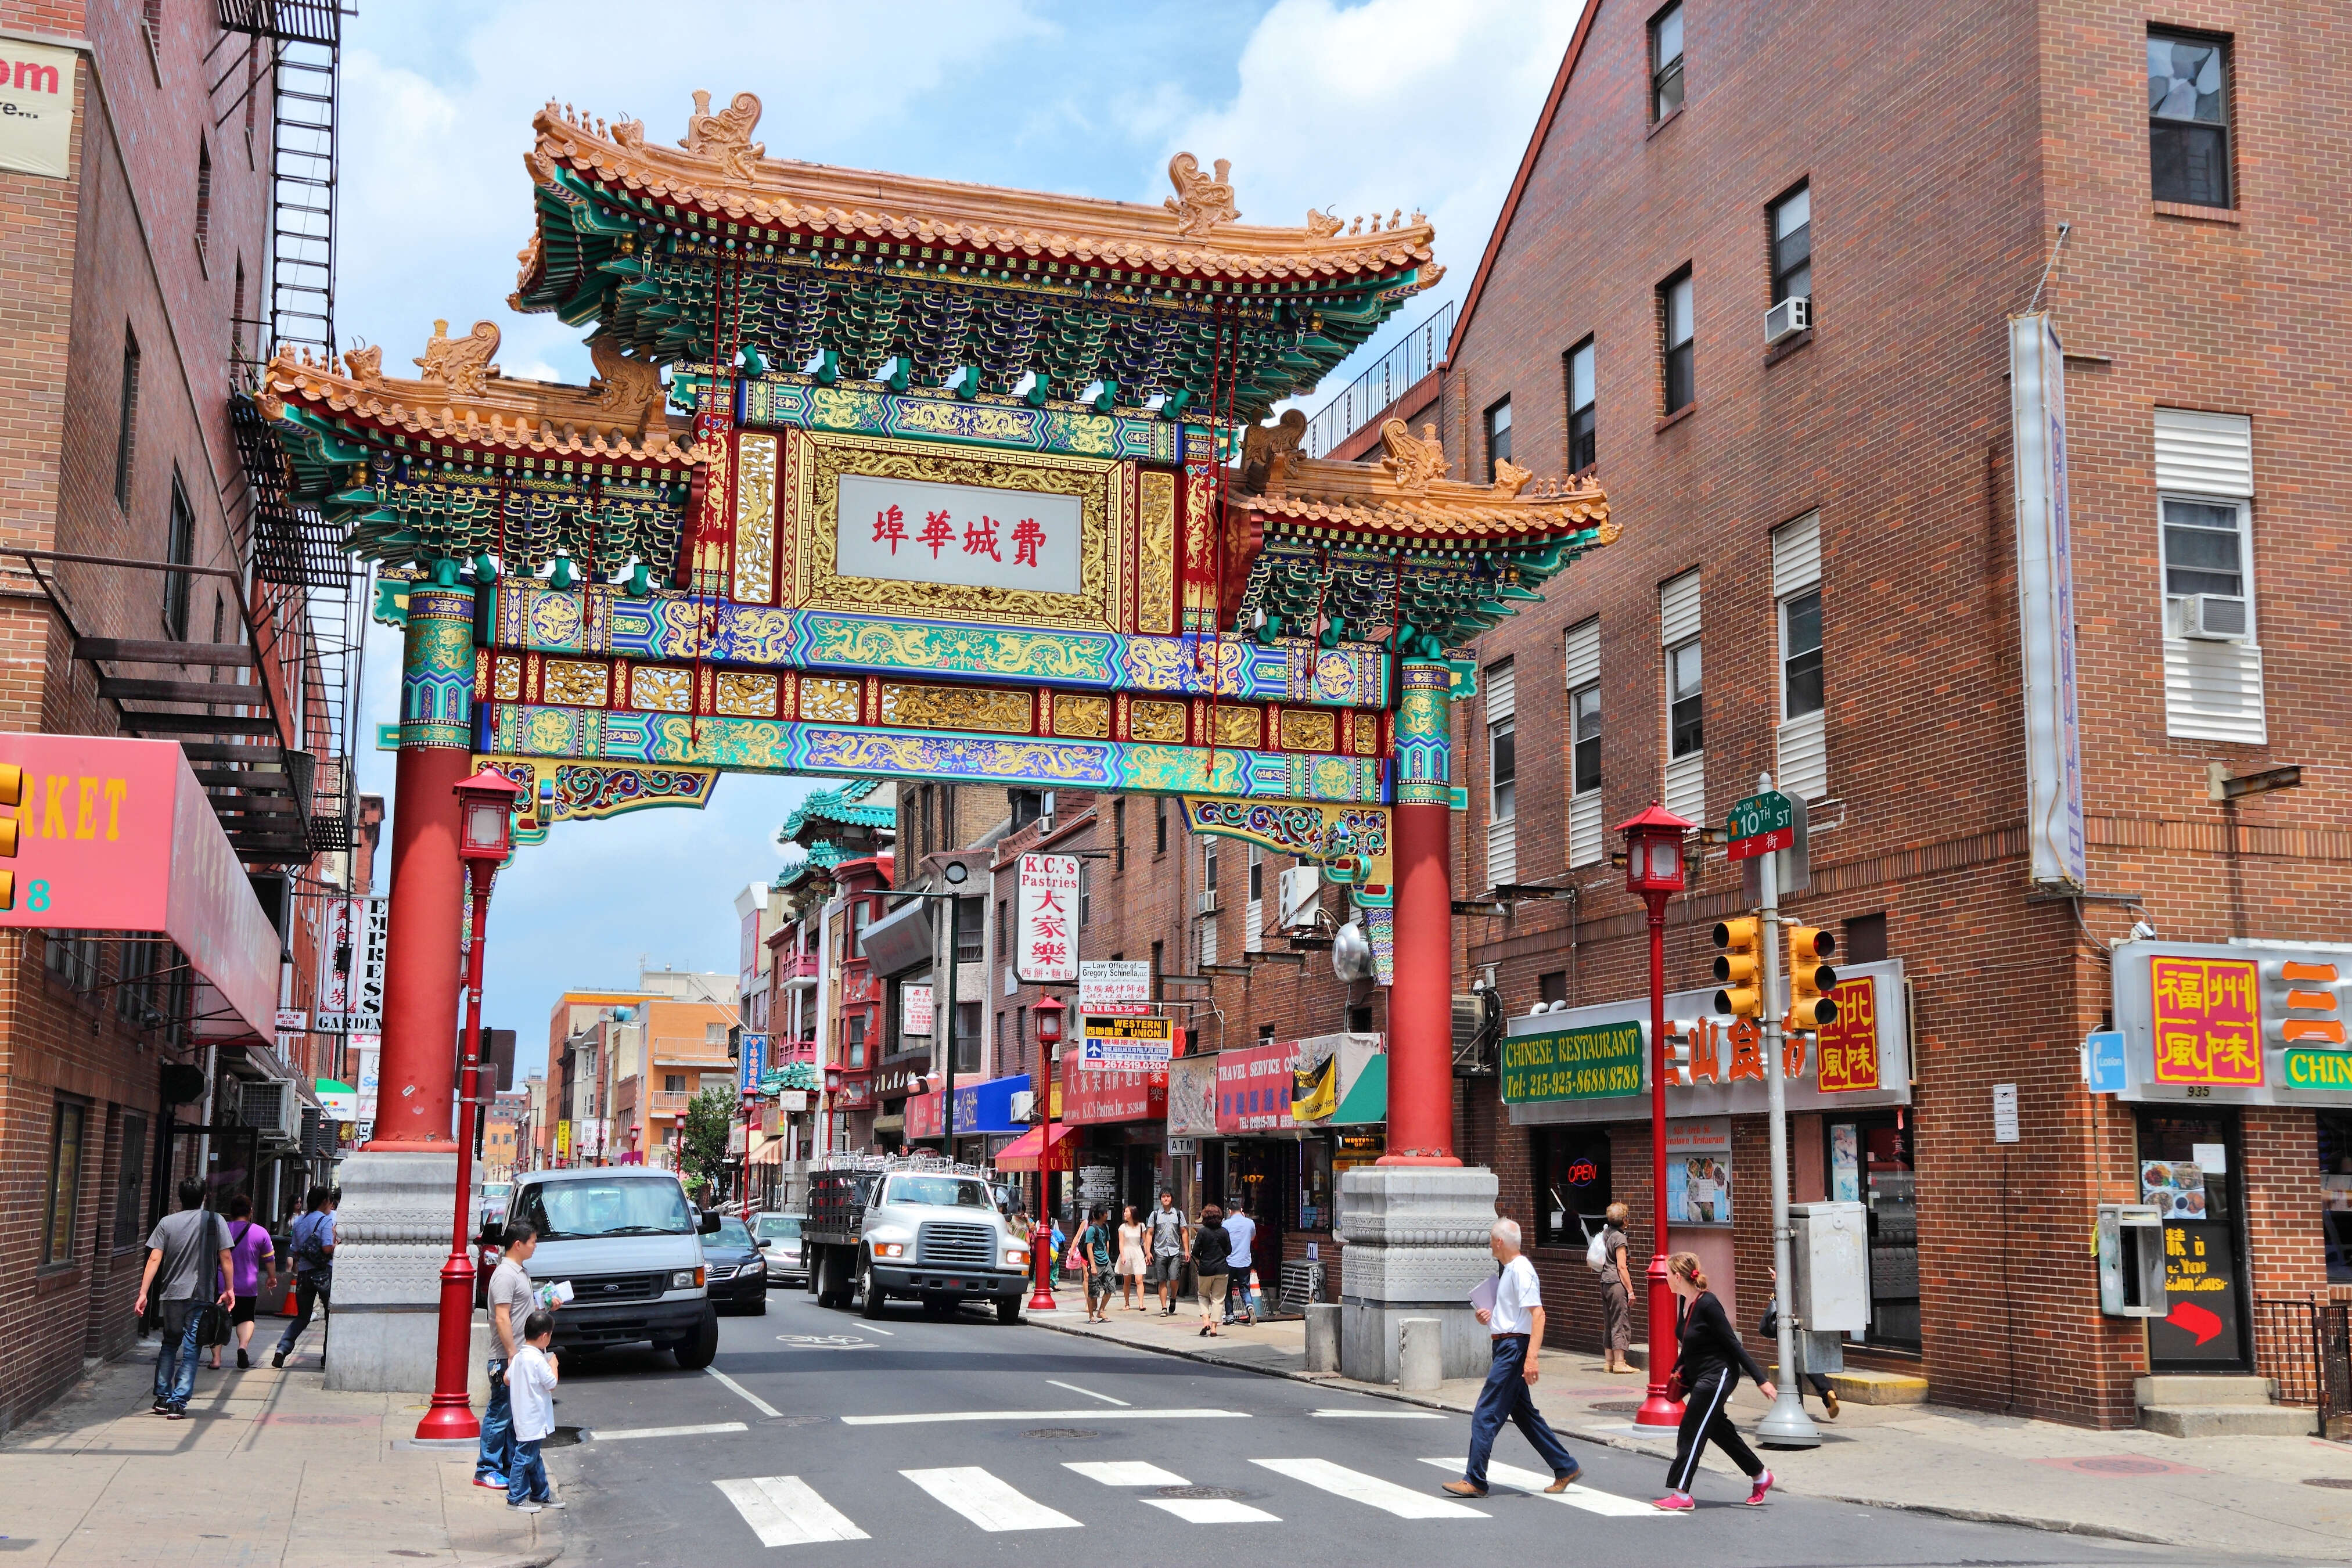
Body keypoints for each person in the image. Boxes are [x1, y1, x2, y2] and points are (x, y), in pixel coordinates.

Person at [1442, 1218, 1584, 1499]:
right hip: (1507, 1345)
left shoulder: (1521, 1270)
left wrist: (1532, 1358)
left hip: (1513, 1349)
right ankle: (1565, 1466)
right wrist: (1489, 1317)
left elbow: (1538, 1315)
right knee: (1524, 1414)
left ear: (1499, 1242)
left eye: (1491, 1240)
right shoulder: (1510, 1271)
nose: (1489, 1245)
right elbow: (1513, 1315)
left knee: (1486, 1413)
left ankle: (1475, 1479)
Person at [1655, 1251, 1776, 1511]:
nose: (1665, 1278)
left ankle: (1682, 1494)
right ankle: (1760, 1476)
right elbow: (1689, 1344)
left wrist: (1761, 1380)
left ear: (1678, 1277)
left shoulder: (1709, 1304)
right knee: (1718, 1429)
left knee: (1692, 1429)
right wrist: (1677, 1371)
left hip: (1719, 1375)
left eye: (1667, 1274)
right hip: (1699, 1374)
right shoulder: (1684, 1302)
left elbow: (1733, 1344)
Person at [134, 1179, 234, 1419]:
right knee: (192, 1347)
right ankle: (178, 1402)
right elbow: (226, 1258)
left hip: (172, 1294)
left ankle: (162, 1397)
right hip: (201, 1294)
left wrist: (143, 1293)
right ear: (204, 1196)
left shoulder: (167, 1223)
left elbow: (154, 1259)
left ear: (180, 1197)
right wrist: (229, 1289)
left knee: (170, 1343)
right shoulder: (215, 1221)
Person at [478, 1221, 547, 1491]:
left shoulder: (520, 1273)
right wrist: (512, 1356)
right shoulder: (506, 1275)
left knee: (511, 1417)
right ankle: (487, 1469)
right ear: (518, 1244)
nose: (535, 1246)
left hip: (517, 1357)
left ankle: (505, 1468)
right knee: (499, 1415)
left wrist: (546, 1304)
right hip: (506, 1358)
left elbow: (521, 1312)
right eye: (533, 1241)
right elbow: (502, 1318)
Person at [502, 1310, 564, 1513]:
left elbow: (507, 1379)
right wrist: (554, 1365)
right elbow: (551, 1384)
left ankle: (541, 1493)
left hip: (523, 1417)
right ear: (545, 1336)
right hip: (534, 1418)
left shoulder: (520, 1358)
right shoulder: (538, 1361)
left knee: (534, 1456)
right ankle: (516, 1497)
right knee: (524, 1458)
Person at [272, 1185, 338, 1368]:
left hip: (304, 1274)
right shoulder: (326, 1221)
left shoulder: (299, 1221)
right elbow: (327, 1248)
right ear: (324, 1201)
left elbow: (295, 1250)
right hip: (323, 1273)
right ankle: (327, 1357)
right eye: (329, 1201)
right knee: (330, 1316)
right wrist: (338, 1245)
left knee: (302, 1316)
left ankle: (282, 1349)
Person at [210, 1195, 276, 1371]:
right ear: (250, 1212)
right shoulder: (260, 1232)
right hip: (248, 1286)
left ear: (231, 1212)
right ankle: (243, 1347)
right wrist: (272, 1277)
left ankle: (216, 1360)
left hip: (223, 1284)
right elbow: (270, 1259)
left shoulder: (221, 1229)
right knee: (246, 1318)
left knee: (218, 1321)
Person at [1761, 1265, 1838, 1418]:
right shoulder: (1807, 1266)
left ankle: (1797, 1407)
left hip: (1787, 1323)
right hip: (1806, 1318)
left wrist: (1777, 1281)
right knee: (1805, 1358)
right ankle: (1827, 1392)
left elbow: (1784, 1295)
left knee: (1790, 1364)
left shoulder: (1786, 1260)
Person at [1600, 1202, 1636, 1375]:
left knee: (1609, 1322)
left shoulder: (1607, 1233)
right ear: (1625, 1220)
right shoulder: (1620, 1238)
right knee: (1620, 1321)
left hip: (1605, 1281)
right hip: (1616, 1283)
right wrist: (1630, 1291)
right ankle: (1620, 1363)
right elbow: (1622, 1267)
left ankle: (1609, 1362)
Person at [1190, 1204, 1230, 1336]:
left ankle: (1206, 1321)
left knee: (1203, 1295)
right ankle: (1214, 1328)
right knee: (1218, 1299)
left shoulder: (1202, 1232)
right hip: (1222, 1269)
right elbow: (1229, 1250)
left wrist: (1203, 1258)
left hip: (1205, 1269)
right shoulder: (1224, 1232)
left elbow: (1195, 1252)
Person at [1148, 1191, 1188, 1317]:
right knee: (1162, 1280)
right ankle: (1164, 1307)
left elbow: (1184, 1232)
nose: (1166, 1199)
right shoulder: (1155, 1215)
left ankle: (1174, 1298)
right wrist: (1148, 1252)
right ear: (1160, 1199)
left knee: (1174, 1278)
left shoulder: (1178, 1214)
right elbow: (1150, 1233)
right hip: (1160, 1252)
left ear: (1172, 1199)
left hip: (1175, 1251)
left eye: (1168, 1196)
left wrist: (1187, 1250)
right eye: (1163, 1197)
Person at [1078, 1206, 1118, 1322]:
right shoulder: (1092, 1229)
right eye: (1105, 1213)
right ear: (1100, 1215)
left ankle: (1101, 1311)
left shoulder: (1105, 1227)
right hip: (1096, 1263)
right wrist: (1093, 1266)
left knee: (1111, 1288)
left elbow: (1107, 1243)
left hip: (1106, 1263)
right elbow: (1089, 1248)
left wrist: (1107, 1258)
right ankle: (1091, 1316)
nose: (1107, 1215)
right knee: (1094, 1291)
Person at [1222, 1200, 1257, 1325]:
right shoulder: (1250, 1223)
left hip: (1229, 1261)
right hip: (1245, 1261)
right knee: (1245, 1288)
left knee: (1227, 1289)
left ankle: (1230, 1316)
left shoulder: (1226, 1224)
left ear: (1230, 1211)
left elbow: (1223, 1241)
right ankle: (1249, 1305)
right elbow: (1253, 1238)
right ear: (1241, 1210)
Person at [1116, 1204, 1148, 1311]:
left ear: (1132, 1213)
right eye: (1124, 1212)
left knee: (1139, 1279)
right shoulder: (1123, 1227)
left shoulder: (1141, 1226)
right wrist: (1122, 1255)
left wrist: (1147, 1253)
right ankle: (1127, 1303)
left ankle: (1141, 1304)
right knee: (1127, 1280)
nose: (1125, 1214)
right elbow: (1121, 1243)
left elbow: (1145, 1241)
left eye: (1127, 1212)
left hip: (1138, 1253)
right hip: (1126, 1253)